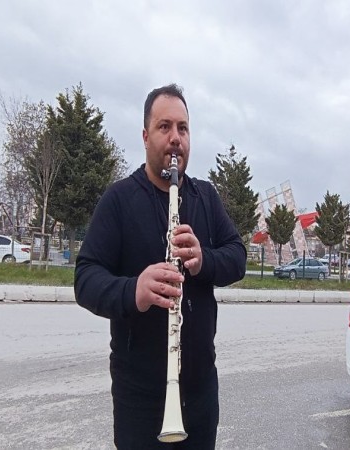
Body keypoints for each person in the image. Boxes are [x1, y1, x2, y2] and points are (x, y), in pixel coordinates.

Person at [74, 83, 246, 449]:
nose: (175, 138)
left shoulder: (206, 197)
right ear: (145, 136)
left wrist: (204, 260)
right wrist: (134, 290)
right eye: (164, 127)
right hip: (139, 399)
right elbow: (86, 278)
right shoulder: (119, 199)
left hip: (200, 393)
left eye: (183, 128)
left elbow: (237, 256)